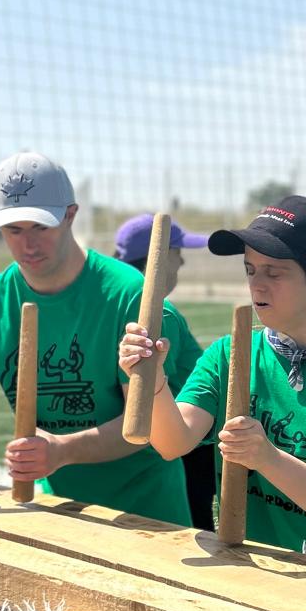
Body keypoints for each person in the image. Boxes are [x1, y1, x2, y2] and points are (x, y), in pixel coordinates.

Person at [0, 152, 199, 523]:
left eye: (40, 227)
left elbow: (143, 426)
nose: (28, 245)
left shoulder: (131, 296)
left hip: (149, 517)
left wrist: (62, 450)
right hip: (56, 512)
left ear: (70, 215)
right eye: (13, 230)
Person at [119, 195, 306, 560]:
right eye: (251, 270)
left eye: (274, 272)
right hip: (249, 563)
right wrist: (154, 378)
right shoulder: (228, 353)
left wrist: (267, 457)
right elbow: (173, 442)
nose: (257, 285)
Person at [115, 211, 215, 531]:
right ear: (155, 259)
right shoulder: (161, 314)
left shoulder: (114, 302)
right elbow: (153, 400)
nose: (181, 261)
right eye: (176, 252)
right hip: (183, 450)